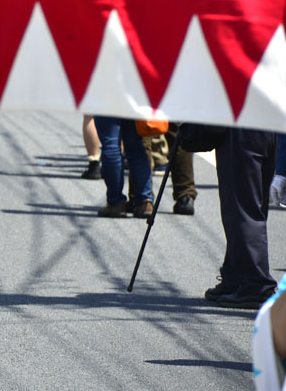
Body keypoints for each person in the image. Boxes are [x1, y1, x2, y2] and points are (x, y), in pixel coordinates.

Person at [178, 124, 279, 309]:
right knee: (250, 208)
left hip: (240, 129)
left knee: (242, 211)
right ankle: (236, 276)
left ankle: (255, 284)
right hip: (267, 126)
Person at [93, 117, 154, 217]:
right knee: (136, 146)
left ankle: (116, 202)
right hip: (133, 102)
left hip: (107, 102)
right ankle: (145, 201)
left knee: (111, 144)